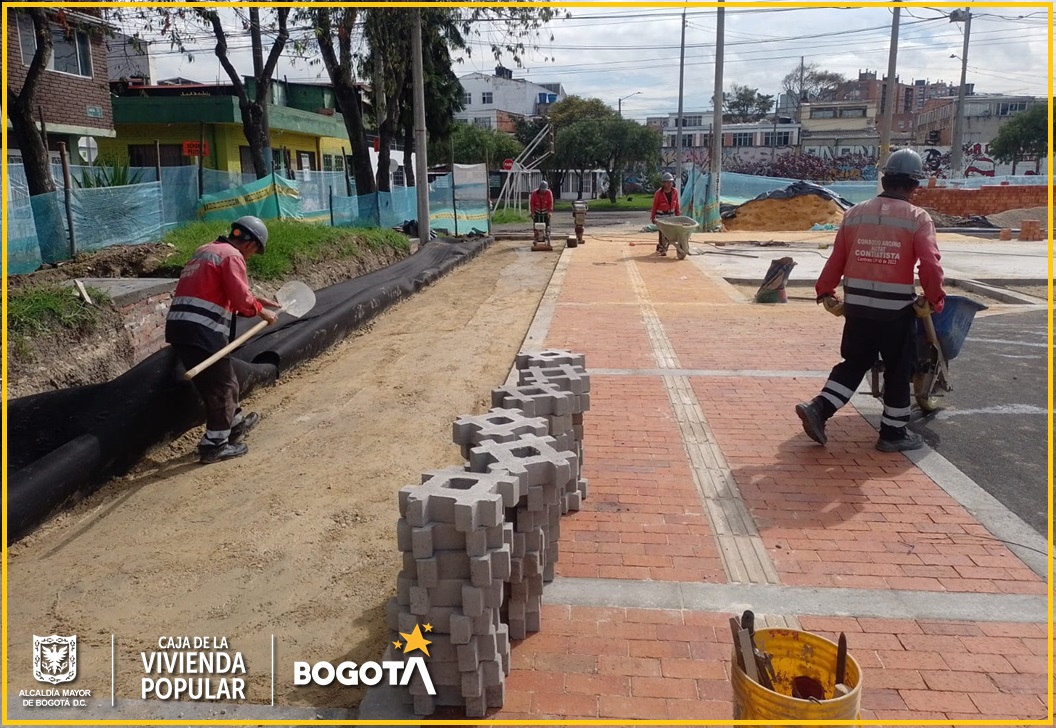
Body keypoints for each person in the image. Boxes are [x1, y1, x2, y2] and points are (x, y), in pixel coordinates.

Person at [795, 149, 946, 453]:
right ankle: (893, 433)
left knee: (854, 363)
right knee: (898, 368)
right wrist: (933, 300)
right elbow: (930, 265)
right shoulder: (917, 217)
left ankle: (819, 409)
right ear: (913, 185)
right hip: (896, 312)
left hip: (858, 308)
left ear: (885, 178)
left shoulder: (855, 213)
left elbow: (838, 257)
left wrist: (825, 291)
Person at [166, 216, 280, 464]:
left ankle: (235, 425)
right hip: (202, 330)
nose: (251, 257)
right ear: (251, 245)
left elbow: (218, 291)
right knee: (223, 386)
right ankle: (214, 445)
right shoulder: (232, 256)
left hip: (181, 328)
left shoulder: (206, 250)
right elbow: (240, 300)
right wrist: (261, 312)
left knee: (216, 381)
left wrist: (257, 300)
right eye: (255, 252)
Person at [651, 172, 680, 255]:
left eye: (670, 182)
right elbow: (654, 206)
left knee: (669, 233)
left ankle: (664, 246)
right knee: (662, 232)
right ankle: (661, 248)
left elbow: (677, 204)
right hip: (661, 217)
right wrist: (653, 217)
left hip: (671, 216)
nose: (669, 184)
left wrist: (678, 215)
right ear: (663, 183)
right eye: (667, 182)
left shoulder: (675, 192)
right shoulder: (658, 193)